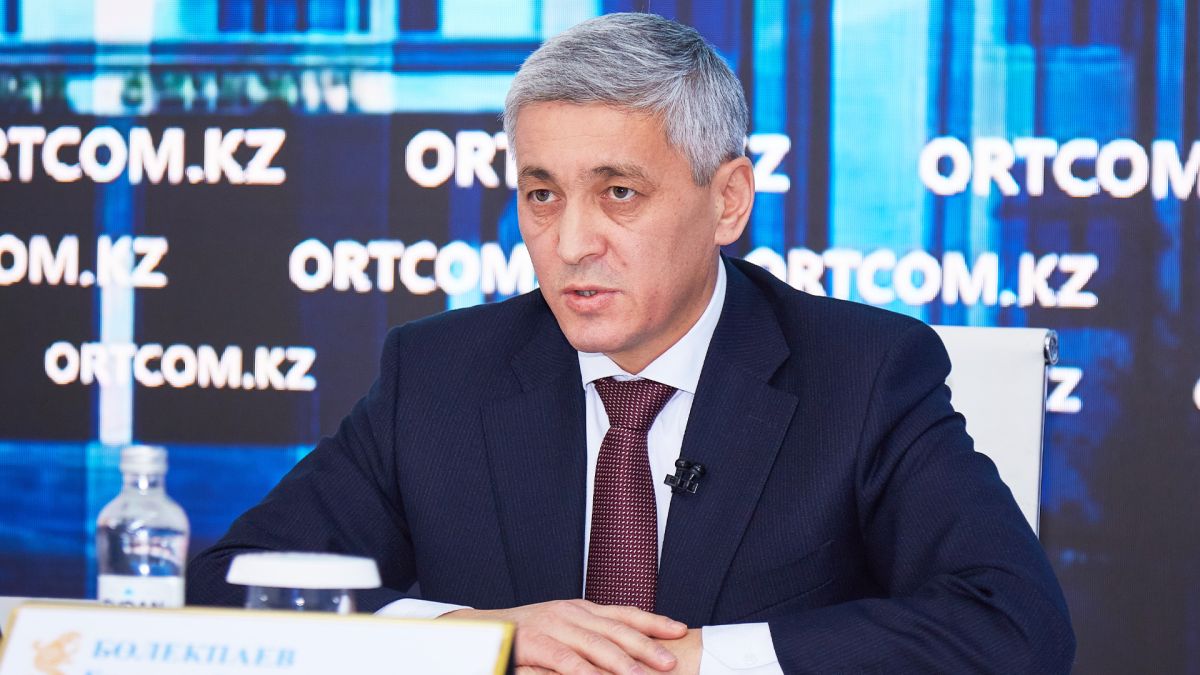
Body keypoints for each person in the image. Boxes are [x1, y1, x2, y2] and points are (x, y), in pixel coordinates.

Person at [188, 12, 1075, 674]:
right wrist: (476, 638)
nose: (572, 242)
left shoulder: (864, 374)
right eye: (542, 195)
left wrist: (697, 660)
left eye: (618, 193)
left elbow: (1012, 624)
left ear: (728, 201)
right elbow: (228, 586)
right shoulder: (437, 375)